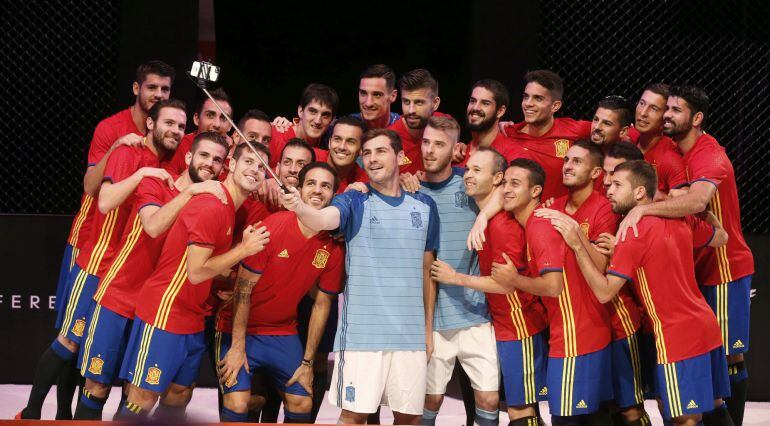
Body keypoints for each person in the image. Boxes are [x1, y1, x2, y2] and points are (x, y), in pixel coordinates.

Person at [20, 60, 175, 421]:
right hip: (96, 255)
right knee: (70, 340)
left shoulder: (169, 146)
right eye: (152, 88)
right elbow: (94, 191)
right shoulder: (115, 134)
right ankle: (32, 412)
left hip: (127, 269)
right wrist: (122, 154)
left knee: (93, 353)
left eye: (165, 90)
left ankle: (65, 416)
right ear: (137, 89)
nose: (158, 95)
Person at [279, 128, 440, 425]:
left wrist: (428, 330)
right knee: (353, 417)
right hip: (361, 338)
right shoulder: (354, 199)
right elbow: (323, 219)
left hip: (411, 337)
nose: (372, 159)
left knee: (410, 419)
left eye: (380, 151)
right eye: (366, 153)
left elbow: (427, 272)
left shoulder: (426, 206)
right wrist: (301, 208)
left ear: (401, 156)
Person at [618, 86, 754, 425]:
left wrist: (645, 210)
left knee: (728, 356)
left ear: (696, 119)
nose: (665, 115)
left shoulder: (709, 155)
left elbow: (696, 203)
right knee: (706, 361)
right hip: (694, 267)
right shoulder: (672, 149)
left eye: (675, 111)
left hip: (724, 266)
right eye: (666, 109)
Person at [560, 160, 733, 426]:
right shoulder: (681, 218)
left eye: (618, 185)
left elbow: (605, 293)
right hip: (706, 326)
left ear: (640, 192)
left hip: (675, 335)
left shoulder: (632, 230)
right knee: (712, 405)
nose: (608, 189)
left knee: (685, 419)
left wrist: (578, 245)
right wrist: (701, 209)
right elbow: (721, 237)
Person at [74, 132, 230, 420]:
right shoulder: (157, 181)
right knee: (96, 385)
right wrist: (191, 192)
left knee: (136, 391)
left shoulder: (210, 202)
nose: (209, 164)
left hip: (154, 310)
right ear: (188, 157)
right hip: (117, 299)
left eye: (217, 159)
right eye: (204, 155)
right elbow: (153, 227)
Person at [117, 142, 272, 418]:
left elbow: (207, 269)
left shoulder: (228, 208)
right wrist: (244, 250)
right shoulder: (211, 206)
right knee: (142, 397)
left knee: (179, 395)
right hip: (165, 312)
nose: (255, 170)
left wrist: (232, 278)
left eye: (262, 167)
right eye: (249, 161)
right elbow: (197, 271)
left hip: (191, 316)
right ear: (232, 165)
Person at [216, 162, 345, 424]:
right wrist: (238, 347)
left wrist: (308, 363)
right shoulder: (273, 226)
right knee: (238, 402)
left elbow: (322, 304)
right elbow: (243, 289)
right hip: (239, 328)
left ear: (334, 196)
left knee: (302, 400)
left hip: (282, 331)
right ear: (299, 189)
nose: (317, 191)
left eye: (325, 186)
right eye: (311, 183)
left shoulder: (333, 247)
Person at [489, 158, 614, 424]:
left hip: (574, 336)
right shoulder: (538, 220)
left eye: (515, 183)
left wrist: (514, 279)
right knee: (588, 416)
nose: (506, 190)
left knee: (565, 418)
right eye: (504, 183)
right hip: (579, 330)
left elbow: (553, 286)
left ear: (535, 191)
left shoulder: (539, 227)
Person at [430, 148, 548, 426]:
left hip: (520, 326)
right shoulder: (488, 217)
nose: (467, 175)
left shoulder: (501, 226)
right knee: (520, 406)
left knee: (522, 411)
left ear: (497, 179)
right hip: (506, 325)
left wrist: (455, 278)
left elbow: (504, 284)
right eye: (467, 169)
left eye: (476, 170)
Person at [536, 140, 647, 424]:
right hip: (578, 325)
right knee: (597, 406)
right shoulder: (554, 207)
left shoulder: (604, 208)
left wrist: (577, 237)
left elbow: (603, 266)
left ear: (596, 173)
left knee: (628, 407)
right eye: (567, 160)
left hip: (616, 321)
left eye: (577, 162)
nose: (568, 166)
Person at [417, 119, 502, 426]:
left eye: (439, 144)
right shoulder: (410, 190)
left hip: (475, 313)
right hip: (433, 320)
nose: (429, 150)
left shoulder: (468, 183)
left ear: (456, 150)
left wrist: (484, 217)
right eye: (426, 142)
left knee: (489, 398)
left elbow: (506, 186)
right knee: (431, 399)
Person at [502, 70, 591, 201]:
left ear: (555, 106)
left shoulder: (575, 130)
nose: (528, 103)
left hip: (560, 216)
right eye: (526, 96)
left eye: (538, 98)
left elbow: (616, 128)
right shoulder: (508, 133)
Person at [631, 83, 688, 194]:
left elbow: (684, 203)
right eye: (642, 103)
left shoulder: (671, 158)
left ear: (666, 116)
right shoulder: (626, 138)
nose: (643, 113)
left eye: (654, 109)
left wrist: (657, 199)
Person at [459, 79, 527, 166]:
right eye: (473, 101)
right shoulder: (458, 154)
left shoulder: (514, 156)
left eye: (485, 103)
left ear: (500, 111)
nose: (475, 108)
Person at [166, 88, 234, 174]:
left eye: (224, 118)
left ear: (230, 126)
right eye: (210, 115)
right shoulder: (180, 144)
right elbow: (167, 179)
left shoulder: (236, 158)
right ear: (196, 119)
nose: (217, 124)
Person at [388, 69, 442, 175]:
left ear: (435, 103)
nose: (411, 110)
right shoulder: (388, 139)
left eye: (419, 102)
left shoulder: (447, 125)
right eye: (406, 102)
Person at [269, 83, 338, 166]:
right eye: (313, 111)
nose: (318, 121)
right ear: (300, 111)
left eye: (325, 115)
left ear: (332, 120)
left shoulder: (332, 145)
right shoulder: (277, 136)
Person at [314, 116, 369, 193]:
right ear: (329, 142)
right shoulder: (309, 158)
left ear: (361, 150)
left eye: (351, 142)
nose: (342, 147)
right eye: (337, 139)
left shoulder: (365, 183)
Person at [352, 64, 400, 129]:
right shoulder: (345, 128)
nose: (368, 103)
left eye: (377, 95)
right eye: (363, 93)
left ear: (393, 96)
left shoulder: (405, 127)